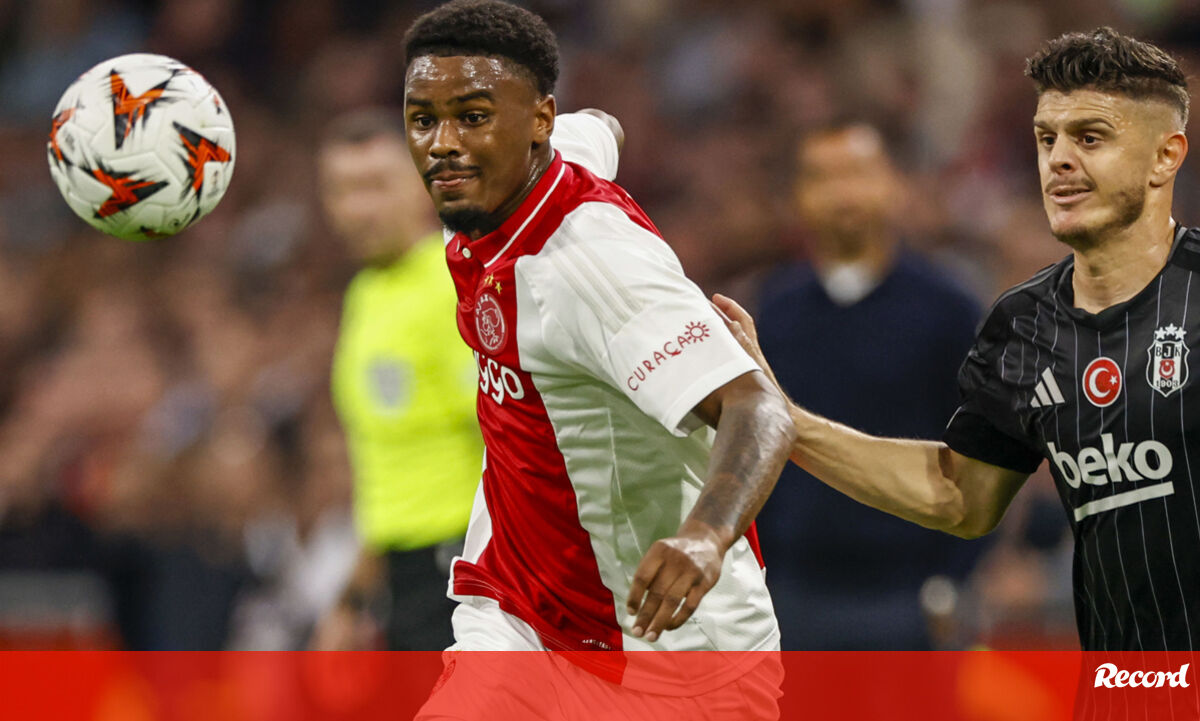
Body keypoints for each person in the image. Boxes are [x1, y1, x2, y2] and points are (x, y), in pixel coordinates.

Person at [715, 27, 1200, 654]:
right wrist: (790, 421)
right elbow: (960, 495)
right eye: (1047, 138)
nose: (1058, 160)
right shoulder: (1025, 323)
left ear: (1165, 156)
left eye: (1090, 138)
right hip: (1120, 677)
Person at [401, 0, 795, 717]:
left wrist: (705, 537)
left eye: (473, 117)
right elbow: (602, 127)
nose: (443, 145)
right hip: (521, 620)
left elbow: (759, 408)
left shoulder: (591, 266)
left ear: (539, 121)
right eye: (423, 120)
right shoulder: (513, 177)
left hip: (671, 656)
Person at [753, 122, 985, 650]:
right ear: (797, 197)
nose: (842, 193)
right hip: (793, 590)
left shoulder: (949, 310)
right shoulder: (774, 310)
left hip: (907, 593)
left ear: (895, 185)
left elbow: (985, 454)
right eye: (821, 177)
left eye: (857, 173)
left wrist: (953, 579)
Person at [312, 109, 483, 650]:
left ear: (421, 184)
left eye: (375, 186)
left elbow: (508, 435)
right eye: (343, 190)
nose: (358, 208)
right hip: (404, 573)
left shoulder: (454, 285)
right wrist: (355, 595)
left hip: (466, 566)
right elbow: (388, 472)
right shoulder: (366, 294)